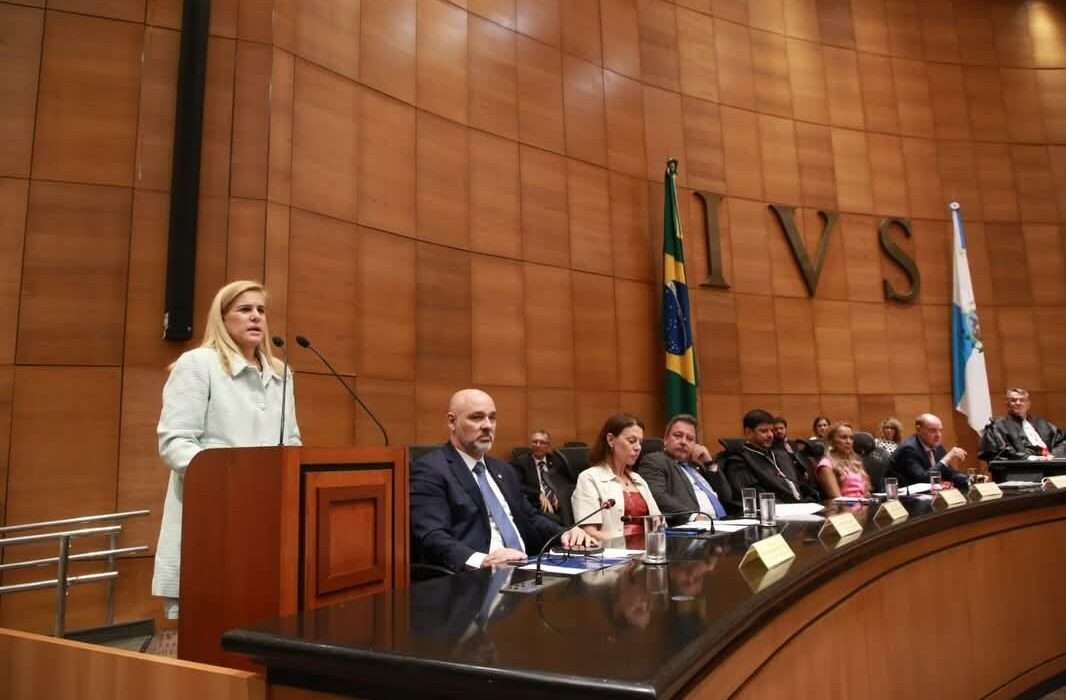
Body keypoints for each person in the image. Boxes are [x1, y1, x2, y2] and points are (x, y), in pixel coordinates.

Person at [153, 280, 301, 620]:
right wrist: (230, 481)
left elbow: (291, 441)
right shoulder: (199, 364)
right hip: (211, 513)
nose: (256, 318)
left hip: (264, 518)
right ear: (222, 318)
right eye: (244, 309)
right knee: (206, 624)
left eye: (261, 311)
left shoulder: (281, 373)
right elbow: (175, 442)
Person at [410, 389, 594, 572]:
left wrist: (564, 533)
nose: (487, 425)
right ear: (452, 421)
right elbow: (432, 535)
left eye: (492, 418)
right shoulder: (431, 469)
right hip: (478, 579)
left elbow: (530, 516)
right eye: (476, 417)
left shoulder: (503, 469)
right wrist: (483, 561)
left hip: (527, 568)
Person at [572, 414, 660, 546]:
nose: (638, 447)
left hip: (648, 553)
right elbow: (589, 532)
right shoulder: (589, 478)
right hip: (614, 556)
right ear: (611, 440)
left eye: (640, 442)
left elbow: (658, 522)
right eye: (631, 441)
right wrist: (627, 547)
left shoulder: (638, 479)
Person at [637, 414, 731, 525]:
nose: (683, 442)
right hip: (692, 529)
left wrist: (709, 463)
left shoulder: (697, 466)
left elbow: (727, 496)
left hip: (723, 524)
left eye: (690, 439)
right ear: (666, 439)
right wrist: (693, 516)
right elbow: (656, 495)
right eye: (678, 436)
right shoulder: (655, 461)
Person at [722, 409, 814, 507]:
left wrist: (812, 499)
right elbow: (753, 495)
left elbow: (800, 484)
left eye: (771, 430)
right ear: (748, 432)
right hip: (775, 513)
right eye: (764, 431)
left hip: (802, 508)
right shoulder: (738, 460)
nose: (770, 435)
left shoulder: (782, 455)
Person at [979, 388, 1065, 461]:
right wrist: (1029, 458)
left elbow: (1061, 440)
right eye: (1013, 400)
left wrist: (1054, 456)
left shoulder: (1042, 423)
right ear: (1007, 404)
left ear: (1028, 404)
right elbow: (998, 451)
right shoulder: (998, 425)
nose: (1018, 403)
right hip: (1020, 469)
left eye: (1022, 400)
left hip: (1050, 464)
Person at [891, 413, 969, 490]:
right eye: (933, 430)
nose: (938, 435)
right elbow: (923, 480)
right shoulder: (908, 449)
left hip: (927, 495)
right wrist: (947, 458)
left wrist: (968, 479)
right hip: (903, 497)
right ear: (918, 429)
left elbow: (949, 473)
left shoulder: (937, 446)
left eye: (940, 430)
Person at [510, 429, 565, 522]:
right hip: (536, 505)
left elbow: (564, 482)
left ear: (548, 446)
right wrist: (538, 494)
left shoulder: (556, 461)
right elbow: (517, 485)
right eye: (535, 442)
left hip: (558, 504)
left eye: (542, 443)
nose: (538, 445)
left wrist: (558, 494)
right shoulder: (521, 462)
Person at [814, 423, 871, 498]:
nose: (848, 441)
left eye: (851, 438)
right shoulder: (826, 465)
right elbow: (838, 499)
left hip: (864, 505)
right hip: (845, 508)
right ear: (832, 441)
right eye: (844, 437)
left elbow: (867, 493)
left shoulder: (855, 462)